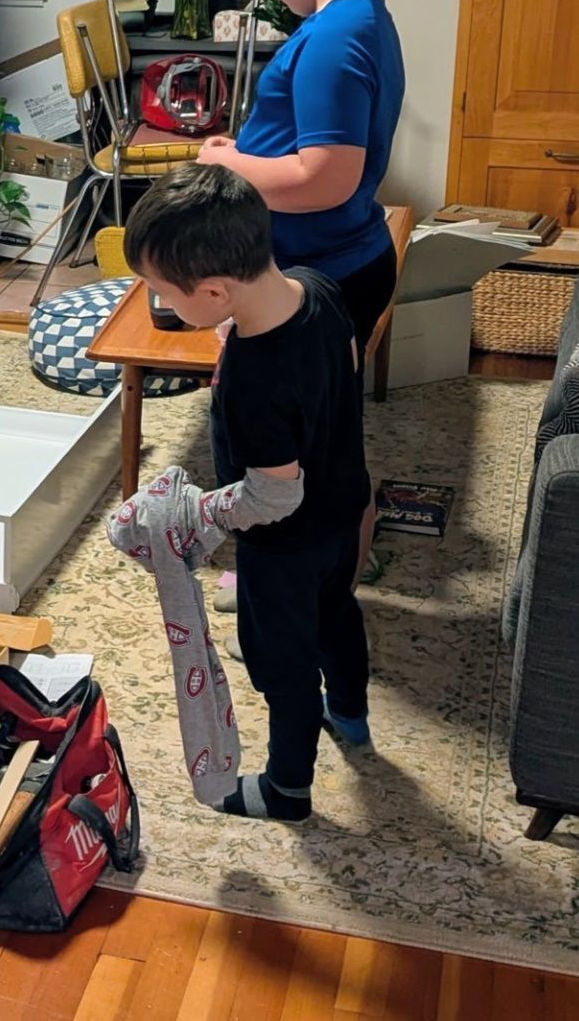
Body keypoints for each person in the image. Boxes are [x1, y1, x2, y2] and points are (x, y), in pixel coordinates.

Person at [120, 164, 371, 821]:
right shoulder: (317, 288)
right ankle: (351, 711)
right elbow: (341, 363)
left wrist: (200, 513)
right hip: (344, 507)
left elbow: (273, 497)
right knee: (337, 612)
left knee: (280, 663)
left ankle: (288, 788)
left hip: (285, 541)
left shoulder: (257, 385)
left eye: (163, 293)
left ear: (213, 292)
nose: (163, 305)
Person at [197, 0, 405, 584]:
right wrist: (247, 150)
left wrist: (227, 163)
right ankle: (340, 553)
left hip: (320, 268)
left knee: (285, 436)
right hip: (343, 257)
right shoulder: (367, 21)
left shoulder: (333, 38)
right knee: (328, 426)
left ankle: (295, 578)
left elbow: (325, 178)